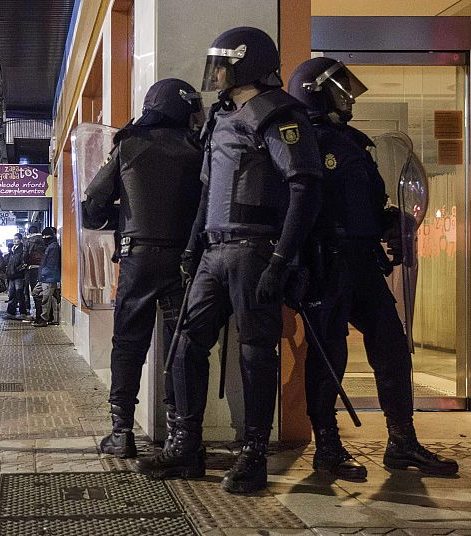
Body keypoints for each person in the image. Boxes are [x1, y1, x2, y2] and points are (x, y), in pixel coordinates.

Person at [136, 27, 322, 494]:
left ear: (246, 64)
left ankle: (254, 455)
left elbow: (304, 187)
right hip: (214, 251)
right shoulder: (219, 118)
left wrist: (282, 259)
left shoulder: (278, 114)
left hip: (255, 249)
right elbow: (207, 192)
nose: (215, 73)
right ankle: (186, 445)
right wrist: (192, 248)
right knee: (185, 344)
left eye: (221, 64)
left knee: (256, 352)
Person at [287, 58, 458, 478]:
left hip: (362, 260)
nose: (348, 98)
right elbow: (295, 207)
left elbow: (367, 204)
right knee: (330, 354)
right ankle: (327, 446)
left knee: (392, 346)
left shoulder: (353, 142)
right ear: (315, 93)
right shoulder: (300, 141)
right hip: (325, 262)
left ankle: (402, 441)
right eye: (338, 90)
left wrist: (392, 222)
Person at [82, 78, 204, 459]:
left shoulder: (129, 144)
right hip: (185, 262)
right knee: (182, 347)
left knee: (128, 345)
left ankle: (121, 432)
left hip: (137, 259)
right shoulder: (198, 147)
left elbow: (91, 206)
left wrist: (122, 217)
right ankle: (179, 435)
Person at [33, 227, 60, 327]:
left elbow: (51, 264)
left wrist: (43, 274)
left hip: (48, 278)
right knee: (36, 293)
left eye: (45, 236)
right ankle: (43, 316)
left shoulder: (53, 247)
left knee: (45, 299)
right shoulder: (50, 246)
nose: (44, 238)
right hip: (44, 277)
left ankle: (44, 319)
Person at [23, 225, 44, 320]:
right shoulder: (44, 240)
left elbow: (25, 255)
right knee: (43, 291)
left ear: (30, 232)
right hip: (43, 268)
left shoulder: (28, 241)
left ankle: (38, 315)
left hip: (32, 268)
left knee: (35, 292)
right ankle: (44, 314)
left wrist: (25, 263)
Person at [4, 233, 27, 318]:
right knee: (11, 294)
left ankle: (22, 313)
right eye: (14, 238)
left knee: (19, 293)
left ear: (20, 240)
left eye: (16, 239)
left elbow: (24, 263)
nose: (14, 240)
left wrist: (17, 270)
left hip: (18, 276)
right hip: (11, 276)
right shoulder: (12, 250)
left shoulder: (22, 249)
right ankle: (10, 312)